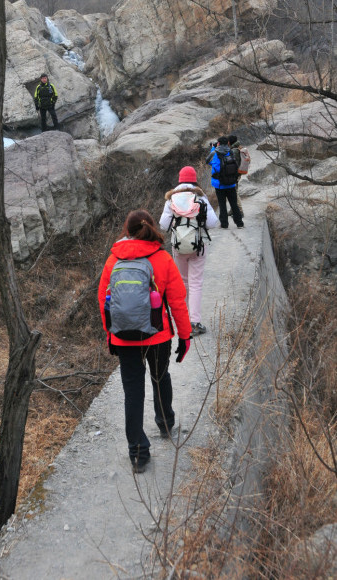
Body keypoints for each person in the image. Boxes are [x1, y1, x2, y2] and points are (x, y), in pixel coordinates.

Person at [98, 209, 192, 473]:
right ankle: (164, 423)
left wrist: (111, 334)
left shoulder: (113, 260)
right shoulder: (162, 259)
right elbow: (176, 302)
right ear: (151, 228)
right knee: (160, 377)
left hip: (124, 338)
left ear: (126, 231)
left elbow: (103, 300)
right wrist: (184, 337)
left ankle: (138, 453)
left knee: (133, 391)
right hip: (157, 335)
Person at [159, 166, 219, 337]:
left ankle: (183, 323)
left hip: (178, 246)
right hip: (198, 245)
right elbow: (213, 223)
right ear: (194, 180)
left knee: (183, 282)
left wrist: (178, 226)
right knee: (196, 282)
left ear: (179, 180)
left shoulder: (171, 199)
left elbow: (163, 225)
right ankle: (195, 322)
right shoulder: (200, 197)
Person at [206, 136, 244, 229]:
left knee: (222, 204)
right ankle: (239, 223)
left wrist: (213, 148)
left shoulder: (215, 153)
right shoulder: (231, 152)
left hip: (219, 184)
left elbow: (208, 161)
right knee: (234, 204)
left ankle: (224, 224)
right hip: (231, 183)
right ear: (228, 143)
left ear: (218, 143)